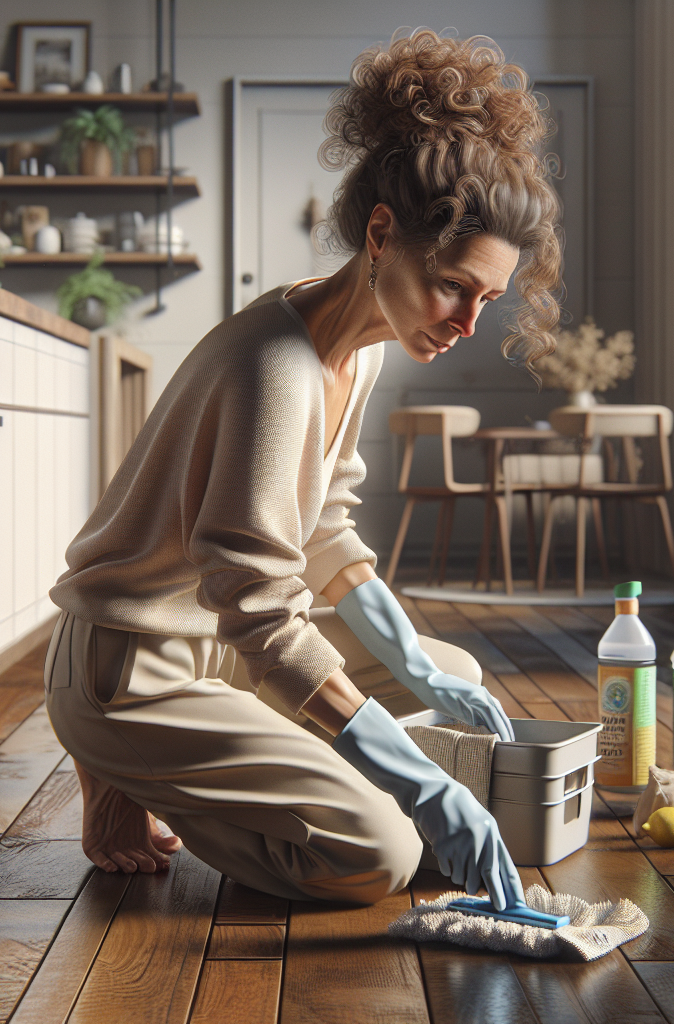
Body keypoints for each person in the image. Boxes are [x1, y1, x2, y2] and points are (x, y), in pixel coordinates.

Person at [44, 28, 561, 911]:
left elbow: (322, 526)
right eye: (454, 286)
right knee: (378, 855)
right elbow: (258, 606)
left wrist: (414, 666)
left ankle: (234, 761)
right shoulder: (274, 365)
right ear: (382, 234)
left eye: (488, 300)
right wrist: (419, 784)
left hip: (214, 643)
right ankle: (127, 765)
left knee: (458, 674)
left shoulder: (361, 349)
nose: (468, 321)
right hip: (131, 668)